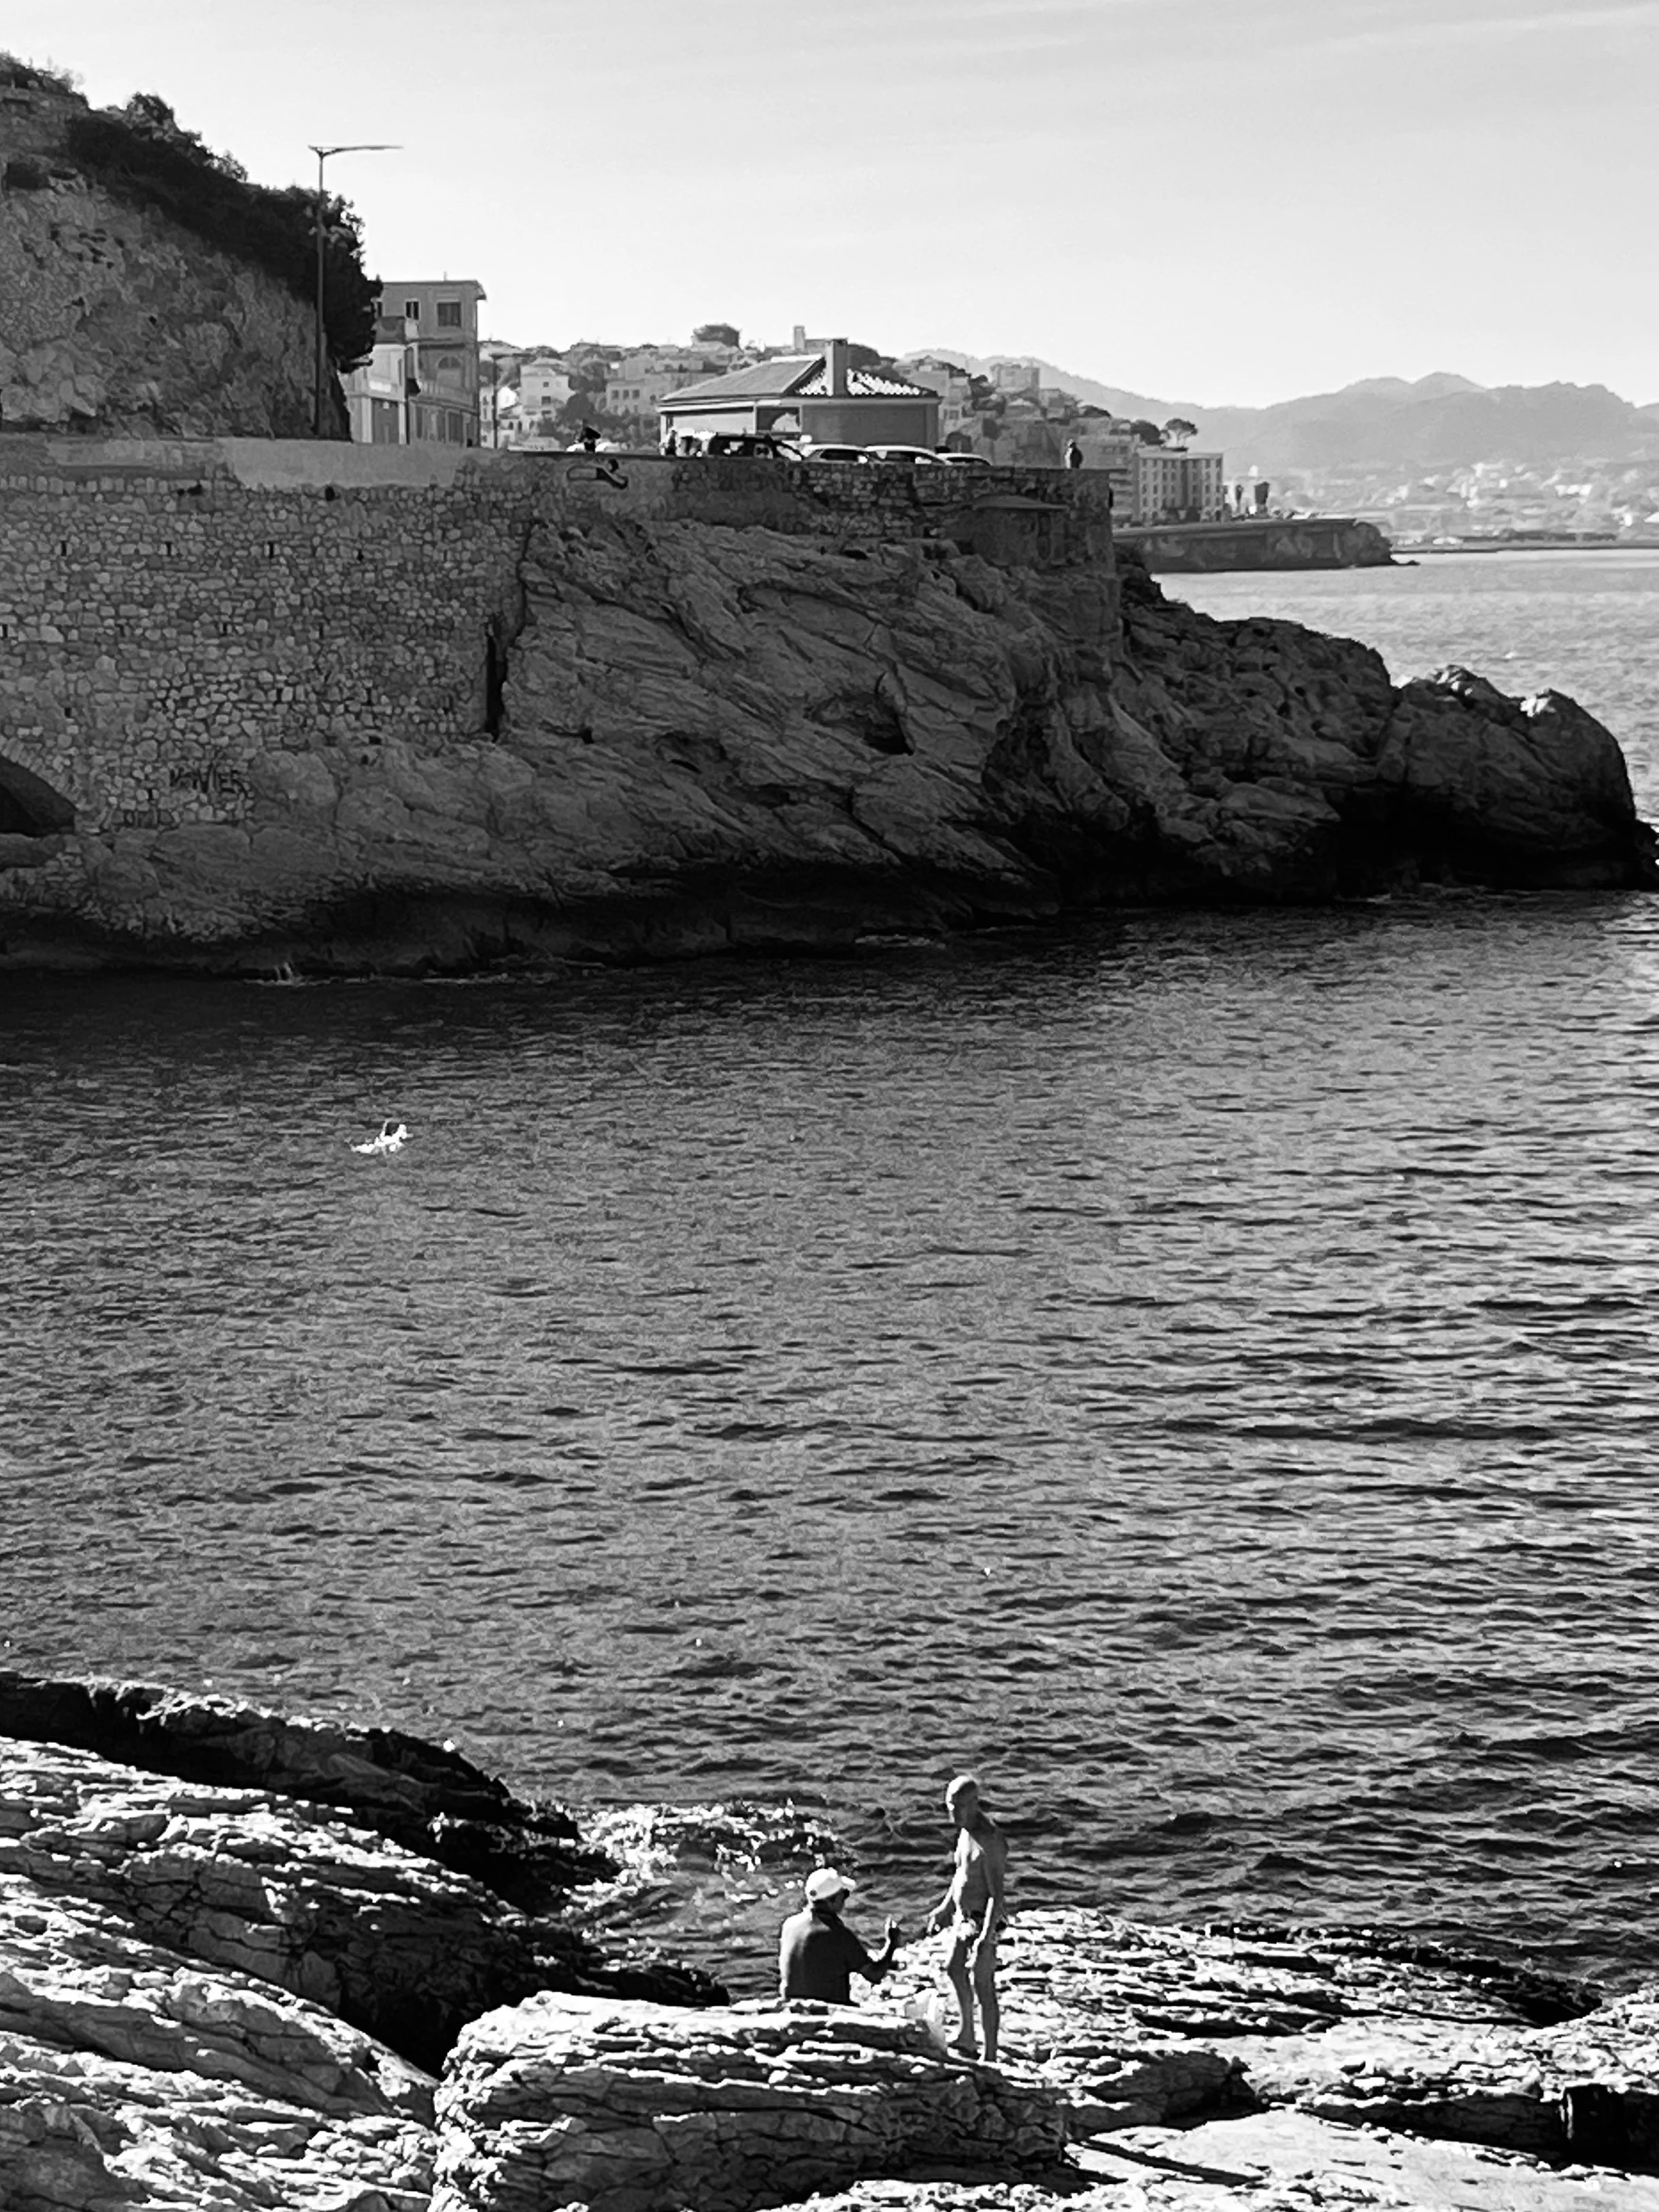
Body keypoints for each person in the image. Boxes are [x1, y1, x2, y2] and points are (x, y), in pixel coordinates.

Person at [924, 1773, 1009, 2060]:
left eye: (959, 1807)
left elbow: (997, 1896)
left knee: (982, 1982)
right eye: (949, 1807)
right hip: (965, 1917)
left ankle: (991, 2054)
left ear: (974, 1804)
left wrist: (986, 1939)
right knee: (954, 1968)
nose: (953, 1813)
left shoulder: (990, 1841)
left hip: (985, 1919)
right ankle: (967, 2036)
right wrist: (945, 1908)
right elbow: (961, 1875)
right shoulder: (965, 1831)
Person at [779, 1867, 901, 2003]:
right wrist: (892, 1943)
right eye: (844, 1895)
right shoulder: (838, 1934)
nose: (845, 1900)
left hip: (793, 2008)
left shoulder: (789, 1926)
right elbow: (875, 1974)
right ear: (831, 1901)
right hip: (827, 2014)